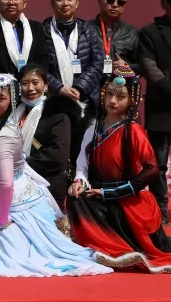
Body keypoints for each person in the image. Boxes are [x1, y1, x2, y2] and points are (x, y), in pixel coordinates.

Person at [0, 74, 111, 277]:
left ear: (12, 101)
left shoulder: (3, 135)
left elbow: (6, 183)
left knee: (8, 254)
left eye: (1, 98)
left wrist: (2, 219)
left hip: (12, 207)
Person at [68, 64, 171, 273]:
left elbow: (152, 169)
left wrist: (113, 192)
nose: (113, 101)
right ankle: (103, 247)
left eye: (121, 96)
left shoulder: (132, 130)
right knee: (75, 198)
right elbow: (82, 167)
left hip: (127, 198)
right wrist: (78, 183)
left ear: (132, 100)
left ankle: (118, 251)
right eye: (110, 94)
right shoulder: (92, 129)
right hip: (98, 194)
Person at [11, 64, 81, 206]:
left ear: (46, 86)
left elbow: (57, 155)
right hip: (13, 182)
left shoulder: (58, 114)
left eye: (35, 82)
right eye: (24, 83)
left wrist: (20, 164)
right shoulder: (13, 112)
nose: (30, 88)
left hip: (47, 185)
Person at [42, 0, 103, 116]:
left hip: (85, 98)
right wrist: (59, 88)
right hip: (53, 100)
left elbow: (98, 62)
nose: (65, 3)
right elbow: (39, 66)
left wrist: (79, 88)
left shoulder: (88, 31)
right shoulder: (41, 32)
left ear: (77, 3)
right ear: (52, 3)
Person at [139, 0, 171, 220]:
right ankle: (160, 208)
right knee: (158, 163)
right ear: (163, 3)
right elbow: (150, 68)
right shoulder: (150, 32)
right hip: (161, 106)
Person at [91, 0, 140, 75]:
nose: (115, 5)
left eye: (121, 2)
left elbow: (142, 67)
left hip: (121, 82)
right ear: (99, 1)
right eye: (110, 0)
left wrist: (127, 66)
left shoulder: (132, 33)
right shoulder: (85, 29)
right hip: (93, 83)